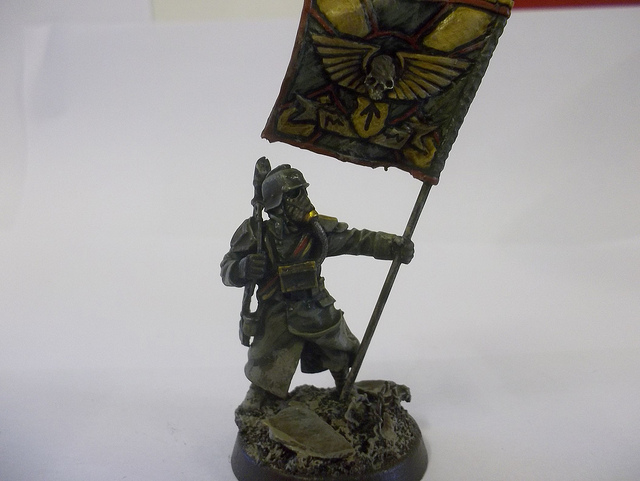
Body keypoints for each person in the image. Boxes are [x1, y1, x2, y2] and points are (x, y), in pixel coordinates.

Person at [220, 164, 413, 403]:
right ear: (277, 203)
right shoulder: (256, 233)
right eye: (294, 194)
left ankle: (343, 388)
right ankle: (257, 400)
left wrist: (392, 246)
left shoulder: (317, 231)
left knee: (338, 350)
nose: (303, 199)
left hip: (315, 305)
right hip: (277, 311)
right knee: (265, 364)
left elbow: (356, 240)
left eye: (303, 191)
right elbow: (226, 268)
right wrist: (242, 268)